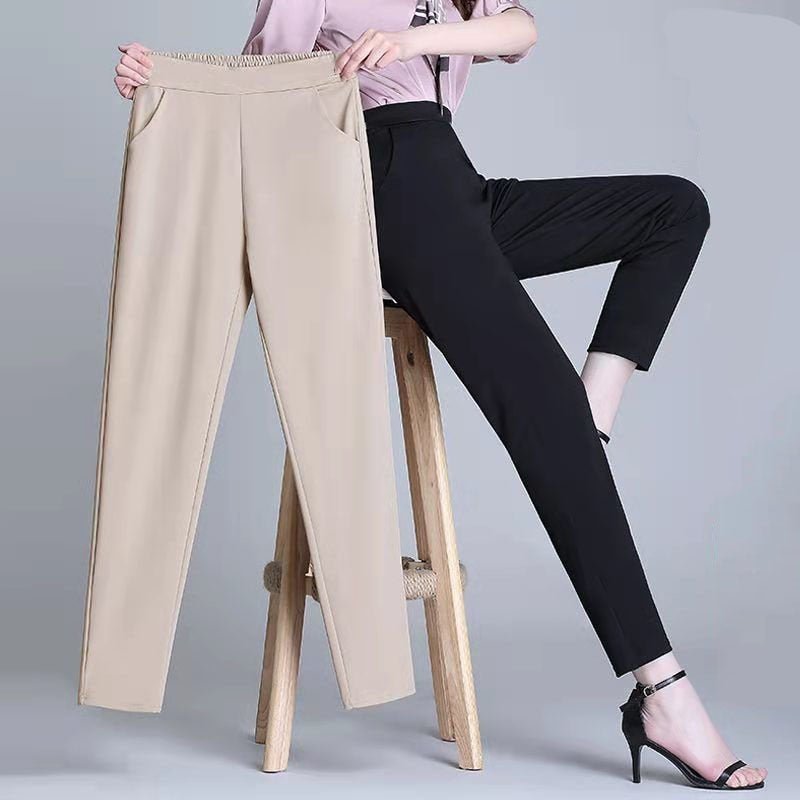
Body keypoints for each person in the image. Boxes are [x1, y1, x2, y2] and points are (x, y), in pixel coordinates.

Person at [112, 0, 766, 789]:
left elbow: (519, 29)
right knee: (542, 411)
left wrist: (411, 37)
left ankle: (589, 410)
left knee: (673, 208)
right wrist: (165, 82)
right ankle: (662, 691)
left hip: (454, 184)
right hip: (384, 182)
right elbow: (259, 86)